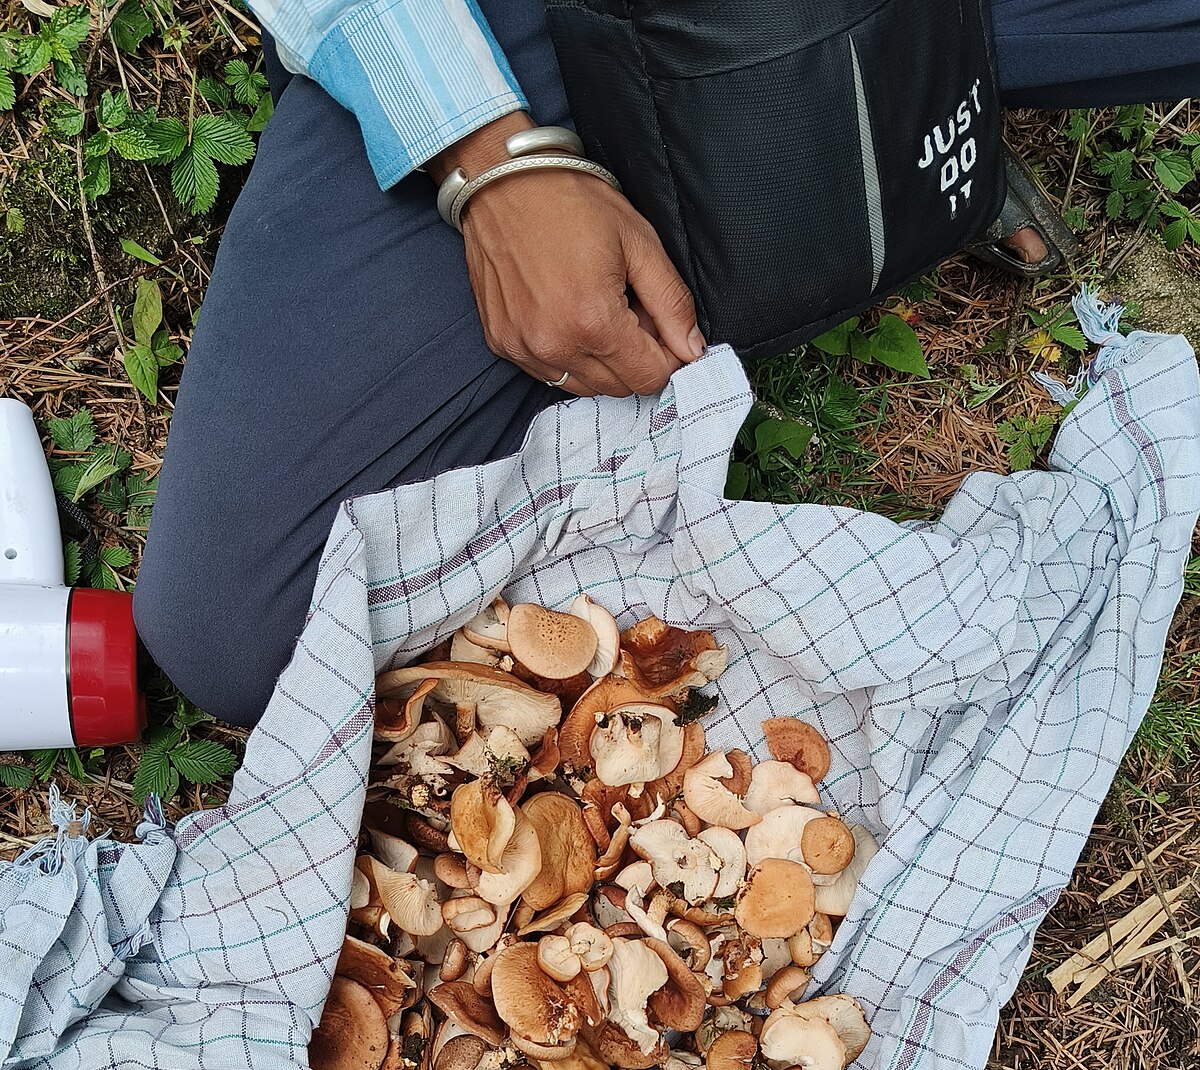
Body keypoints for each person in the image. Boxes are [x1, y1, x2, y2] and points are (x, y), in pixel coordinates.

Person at [132, 0, 1200, 729]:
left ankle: (882, 103)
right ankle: (830, 135)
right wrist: (484, 153)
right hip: (514, 35)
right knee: (246, 621)